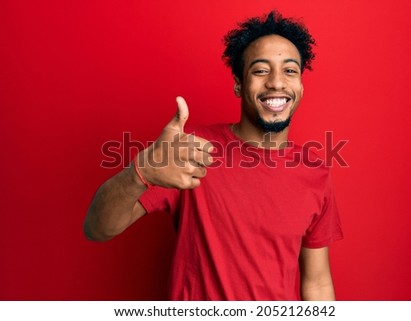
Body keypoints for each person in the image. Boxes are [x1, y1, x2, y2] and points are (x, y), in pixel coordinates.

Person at [84, 11, 343, 301]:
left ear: (301, 87)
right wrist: (139, 172)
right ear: (238, 84)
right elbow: (97, 228)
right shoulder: (190, 150)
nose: (277, 82)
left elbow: (317, 284)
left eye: (290, 70)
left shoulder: (315, 174)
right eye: (260, 70)